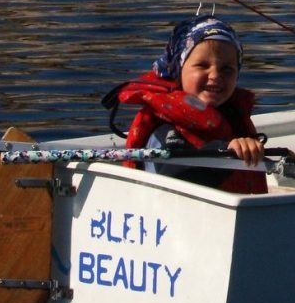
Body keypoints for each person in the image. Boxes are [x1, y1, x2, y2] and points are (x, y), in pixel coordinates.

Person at [113, 15, 268, 194]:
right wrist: (226, 152)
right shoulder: (165, 127)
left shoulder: (231, 116)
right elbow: (174, 175)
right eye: (202, 65)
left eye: (227, 69)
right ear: (179, 71)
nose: (215, 75)